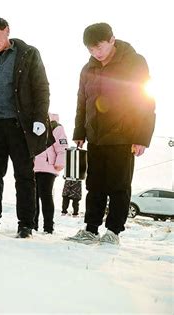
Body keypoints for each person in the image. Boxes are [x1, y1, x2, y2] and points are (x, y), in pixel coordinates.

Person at [65, 22, 155, 245]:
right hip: (95, 136)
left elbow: (145, 99)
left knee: (118, 185)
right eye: (90, 49)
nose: (95, 53)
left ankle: (113, 232)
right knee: (94, 185)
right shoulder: (88, 69)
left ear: (112, 40)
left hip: (123, 136)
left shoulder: (134, 62)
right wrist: (79, 130)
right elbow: (82, 101)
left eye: (99, 47)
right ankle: (90, 229)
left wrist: (141, 137)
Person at [0, 17, 52, 238]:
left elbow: (41, 87)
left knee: (24, 176)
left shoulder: (28, 53)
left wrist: (39, 118)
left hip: (20, 126)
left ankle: (26, 225)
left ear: (6, 31)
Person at [33, 113, 68, 233]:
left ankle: (48, 227)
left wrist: (60, 163)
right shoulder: (32, 122)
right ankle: (33, 225)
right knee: (33, 197)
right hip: (33, 167)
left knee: (45, 196)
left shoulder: (55, 126)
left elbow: (62, 146)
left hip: (48, 167)